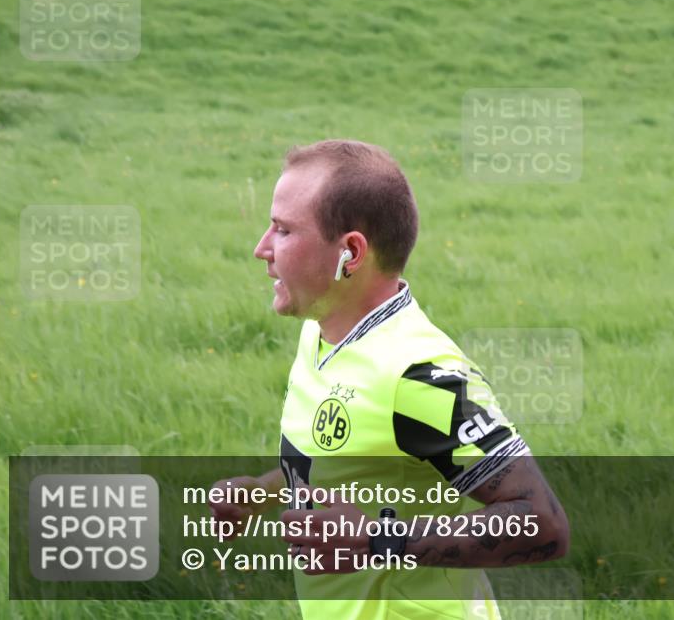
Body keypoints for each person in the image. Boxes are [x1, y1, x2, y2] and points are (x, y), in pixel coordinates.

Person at [209, 139, 569, 619]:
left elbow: (542, 524)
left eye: (283, 230)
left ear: (350, 253)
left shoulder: (420, 375)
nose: (262, 249)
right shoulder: (323, 332)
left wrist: (376, 539)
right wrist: (264, 490)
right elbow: (354, 461)